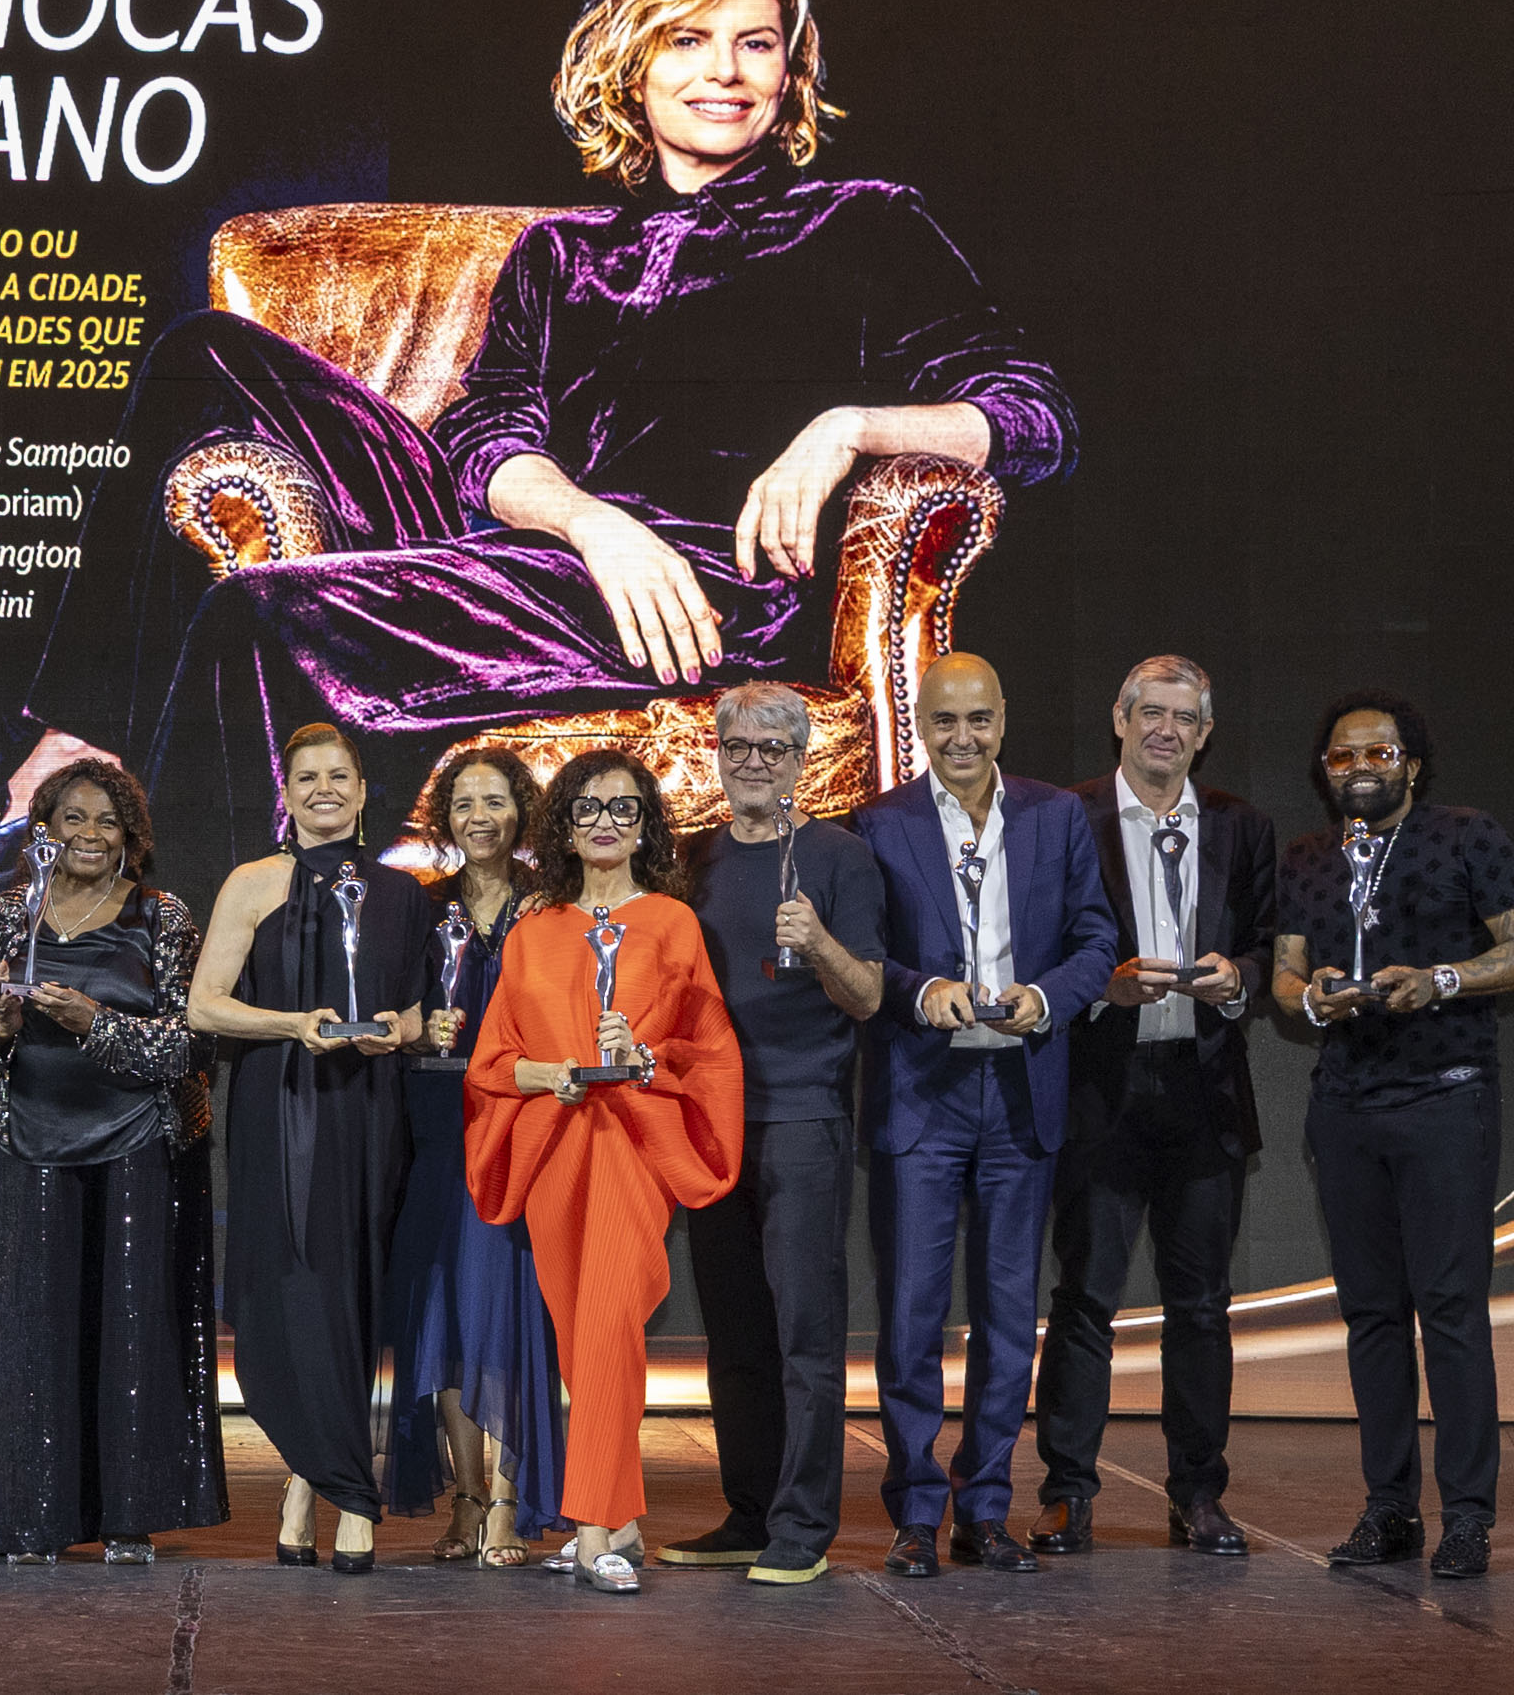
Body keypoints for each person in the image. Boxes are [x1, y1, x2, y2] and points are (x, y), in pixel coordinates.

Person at [0, 0, 1077, 861]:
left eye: (755, 43)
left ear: (789, 71)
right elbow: (484, 436)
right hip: (541, 542)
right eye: (688, 40)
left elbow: (1036, 414)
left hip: (693, 590)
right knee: (206, 348)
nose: (725, 71)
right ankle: (77, 731)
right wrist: (589, 522)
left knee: (256, 610)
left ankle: (207, 968)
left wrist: (846, 428)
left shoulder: (864, 224)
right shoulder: (563, 253)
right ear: (633, 63)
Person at [1271, 693, 1514, 1584]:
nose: (1359, 767)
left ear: (1412, 765)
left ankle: (1465, 1518)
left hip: (1444, 1100)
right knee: (1370, 1315)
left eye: (1378, 753)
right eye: (1341, 756)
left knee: (1451, 1311)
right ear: (1324, 770)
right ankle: (1387, 1510)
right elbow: (1282, 974)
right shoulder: (1307, 857)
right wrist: (1312, 997)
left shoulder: (1467, 835)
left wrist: (1441, 979)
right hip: (1344, 1105)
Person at [850, 652, 1117, 1578]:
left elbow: (1096, 940)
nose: (960, 738)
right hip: (920, 1092)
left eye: (977, 720)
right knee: (910, 1316)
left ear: (1002, 719)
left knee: (1008, 1316)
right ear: (919, 726)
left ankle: (986, 1509)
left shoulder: (1055, 815)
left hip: (1020, 1091)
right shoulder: (878, 822)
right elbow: (859, 956)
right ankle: (915, 1513)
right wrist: (920, 992)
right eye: (942, 721)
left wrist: (1045, 1000)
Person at [463, 748, 744, 1595]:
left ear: (646, 826)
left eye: (624, 809)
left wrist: (645, 1059)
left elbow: (707, 1051)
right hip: (555, 1152)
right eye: (586, 809)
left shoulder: (673, 924)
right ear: (563, 827)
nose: (605, 824)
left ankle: (591, 1529)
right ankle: (618, 1518)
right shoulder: (533, 933)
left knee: (611, 1321)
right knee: (579, 1338)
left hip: (630, 1148)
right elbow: (491, 1064)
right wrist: (547, 1074)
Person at [0, 758, 228, 1563]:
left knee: (128, 1331)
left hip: (135, 1145)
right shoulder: (6, 918)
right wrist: (0, 1031)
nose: (90, 835)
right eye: (74, 818)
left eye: (108, 821)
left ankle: (127, 1518)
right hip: (28, 1143)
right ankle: (33, 1518)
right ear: (44, 830)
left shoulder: (159, 916)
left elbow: (191, 1043)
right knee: (35, 1331)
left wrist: (93, 1023)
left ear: (130, 836)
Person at [1032, 654, 1276, 1562]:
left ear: (1204, 735)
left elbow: (1270, 945)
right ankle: (1066, 1494)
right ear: (1119, 719)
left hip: (1203, 1092)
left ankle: (1198, 1497)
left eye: (1183, 718)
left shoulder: (1242, 827)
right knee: (1083, 1300)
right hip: (1102, 1088)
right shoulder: (1066, 817)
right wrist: (1105, 984)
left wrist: (1237, 976)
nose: (1165, 730)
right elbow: (1039, 942)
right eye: (1150, 713)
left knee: (1201, 1307)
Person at [187, 722, 433, 1571]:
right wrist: (294, 1024)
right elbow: (205, 1005)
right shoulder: (253, 881)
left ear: (362, 791)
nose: (323, 789)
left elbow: (417, 1009)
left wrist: (400, 1028)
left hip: (371, 1109)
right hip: (283, 1104)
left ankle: (307, 1479)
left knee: (354, 1289)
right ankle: (350, 1494)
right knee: (299, 1284)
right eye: (306, 778)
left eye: (338, 776)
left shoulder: (401, 894)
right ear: (285, 794)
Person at [662, 681, 887, 1588]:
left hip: (801, 1117)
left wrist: (821, 944)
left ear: (800, 760)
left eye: (772, 748)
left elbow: (867, 996)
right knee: (734, 1335)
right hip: (708, 1125)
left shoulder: (840, 858)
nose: (752, 762)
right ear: (716, 756)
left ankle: (802, 1525)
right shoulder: (689, 859)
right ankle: (749, 1513)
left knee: (804, 1335)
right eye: (737, 747)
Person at [382, 748, 564, 1569]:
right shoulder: (422, 909)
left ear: (520, 810)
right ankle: (467, 1494)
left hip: (526, 1123)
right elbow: (391, 1013)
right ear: (443, 819)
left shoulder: (554, 906)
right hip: (439, 1124)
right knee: (444, 1312)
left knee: (514, 1308)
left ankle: (512, 1500)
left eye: (494, 800)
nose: (479, 817)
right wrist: (418, 1027)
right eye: (463, 804)